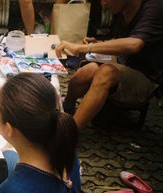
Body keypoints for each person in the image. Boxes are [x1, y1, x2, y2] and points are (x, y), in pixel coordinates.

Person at [56, 0, 163, 130]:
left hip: (145, 79)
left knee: (107, 72)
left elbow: (134, 44)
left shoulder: (155, 7)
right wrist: (99, 43)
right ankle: (67, 108)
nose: (103, 4)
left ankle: (69, 134)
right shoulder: (120, 8)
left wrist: (83, 48)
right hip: (121, 63)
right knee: (87, 71)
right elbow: (119, 39)